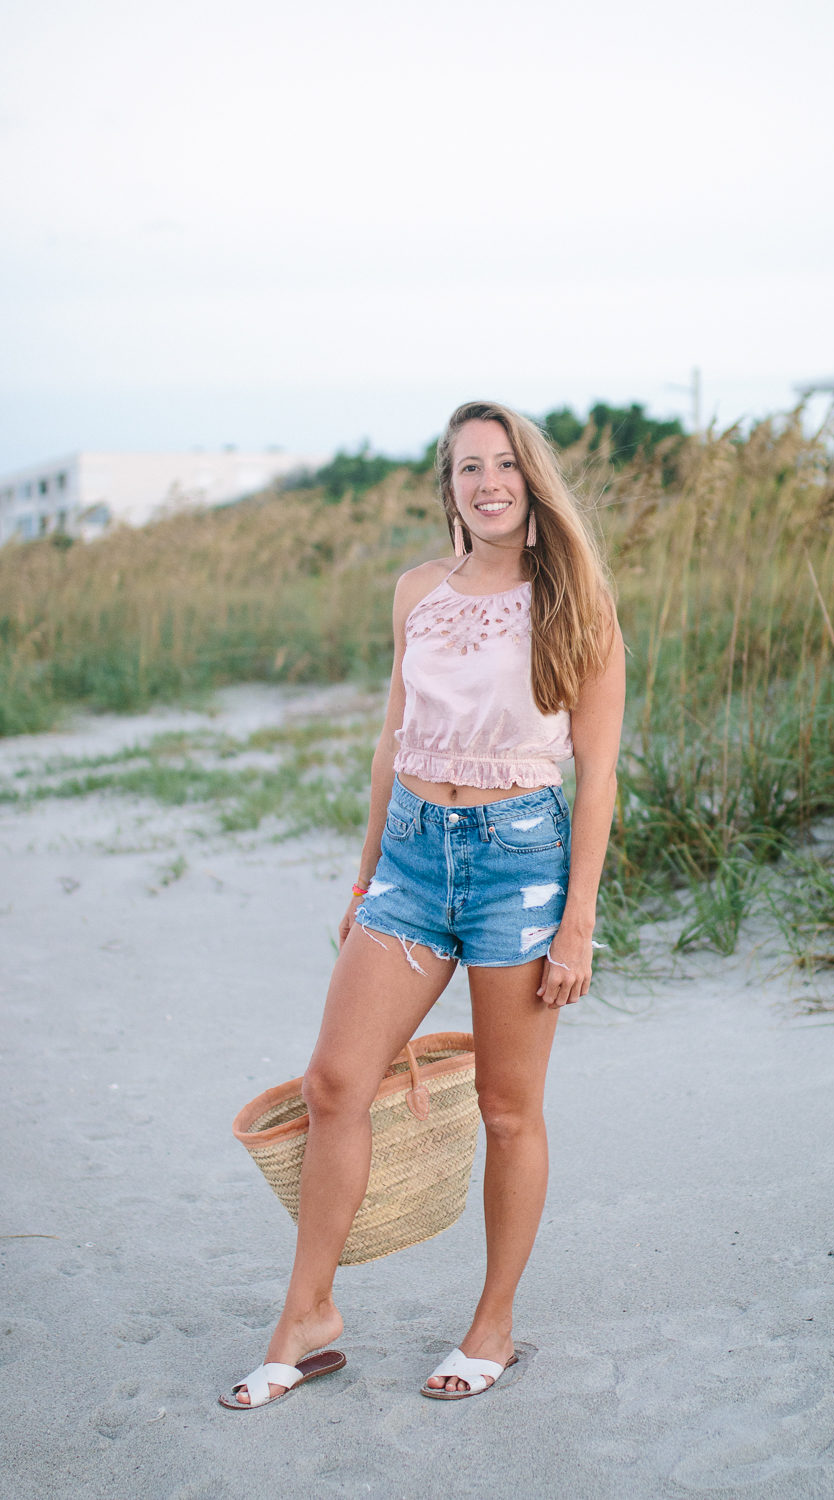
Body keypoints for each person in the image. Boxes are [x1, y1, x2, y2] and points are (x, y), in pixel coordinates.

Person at [220, 399, 625, 1409]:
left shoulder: (575, 600)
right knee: (332, 1084)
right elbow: (391, 743)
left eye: (503, 465)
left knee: (506, 1107)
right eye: (465, 468)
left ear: (531, 480)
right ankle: (307, 1317)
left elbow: (598, 774)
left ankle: (492, 1324)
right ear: (448, 488)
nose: (485, 483)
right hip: (411, 856)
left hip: (518, 867)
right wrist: (365, 881)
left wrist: (576, 920)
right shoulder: (415, 592)